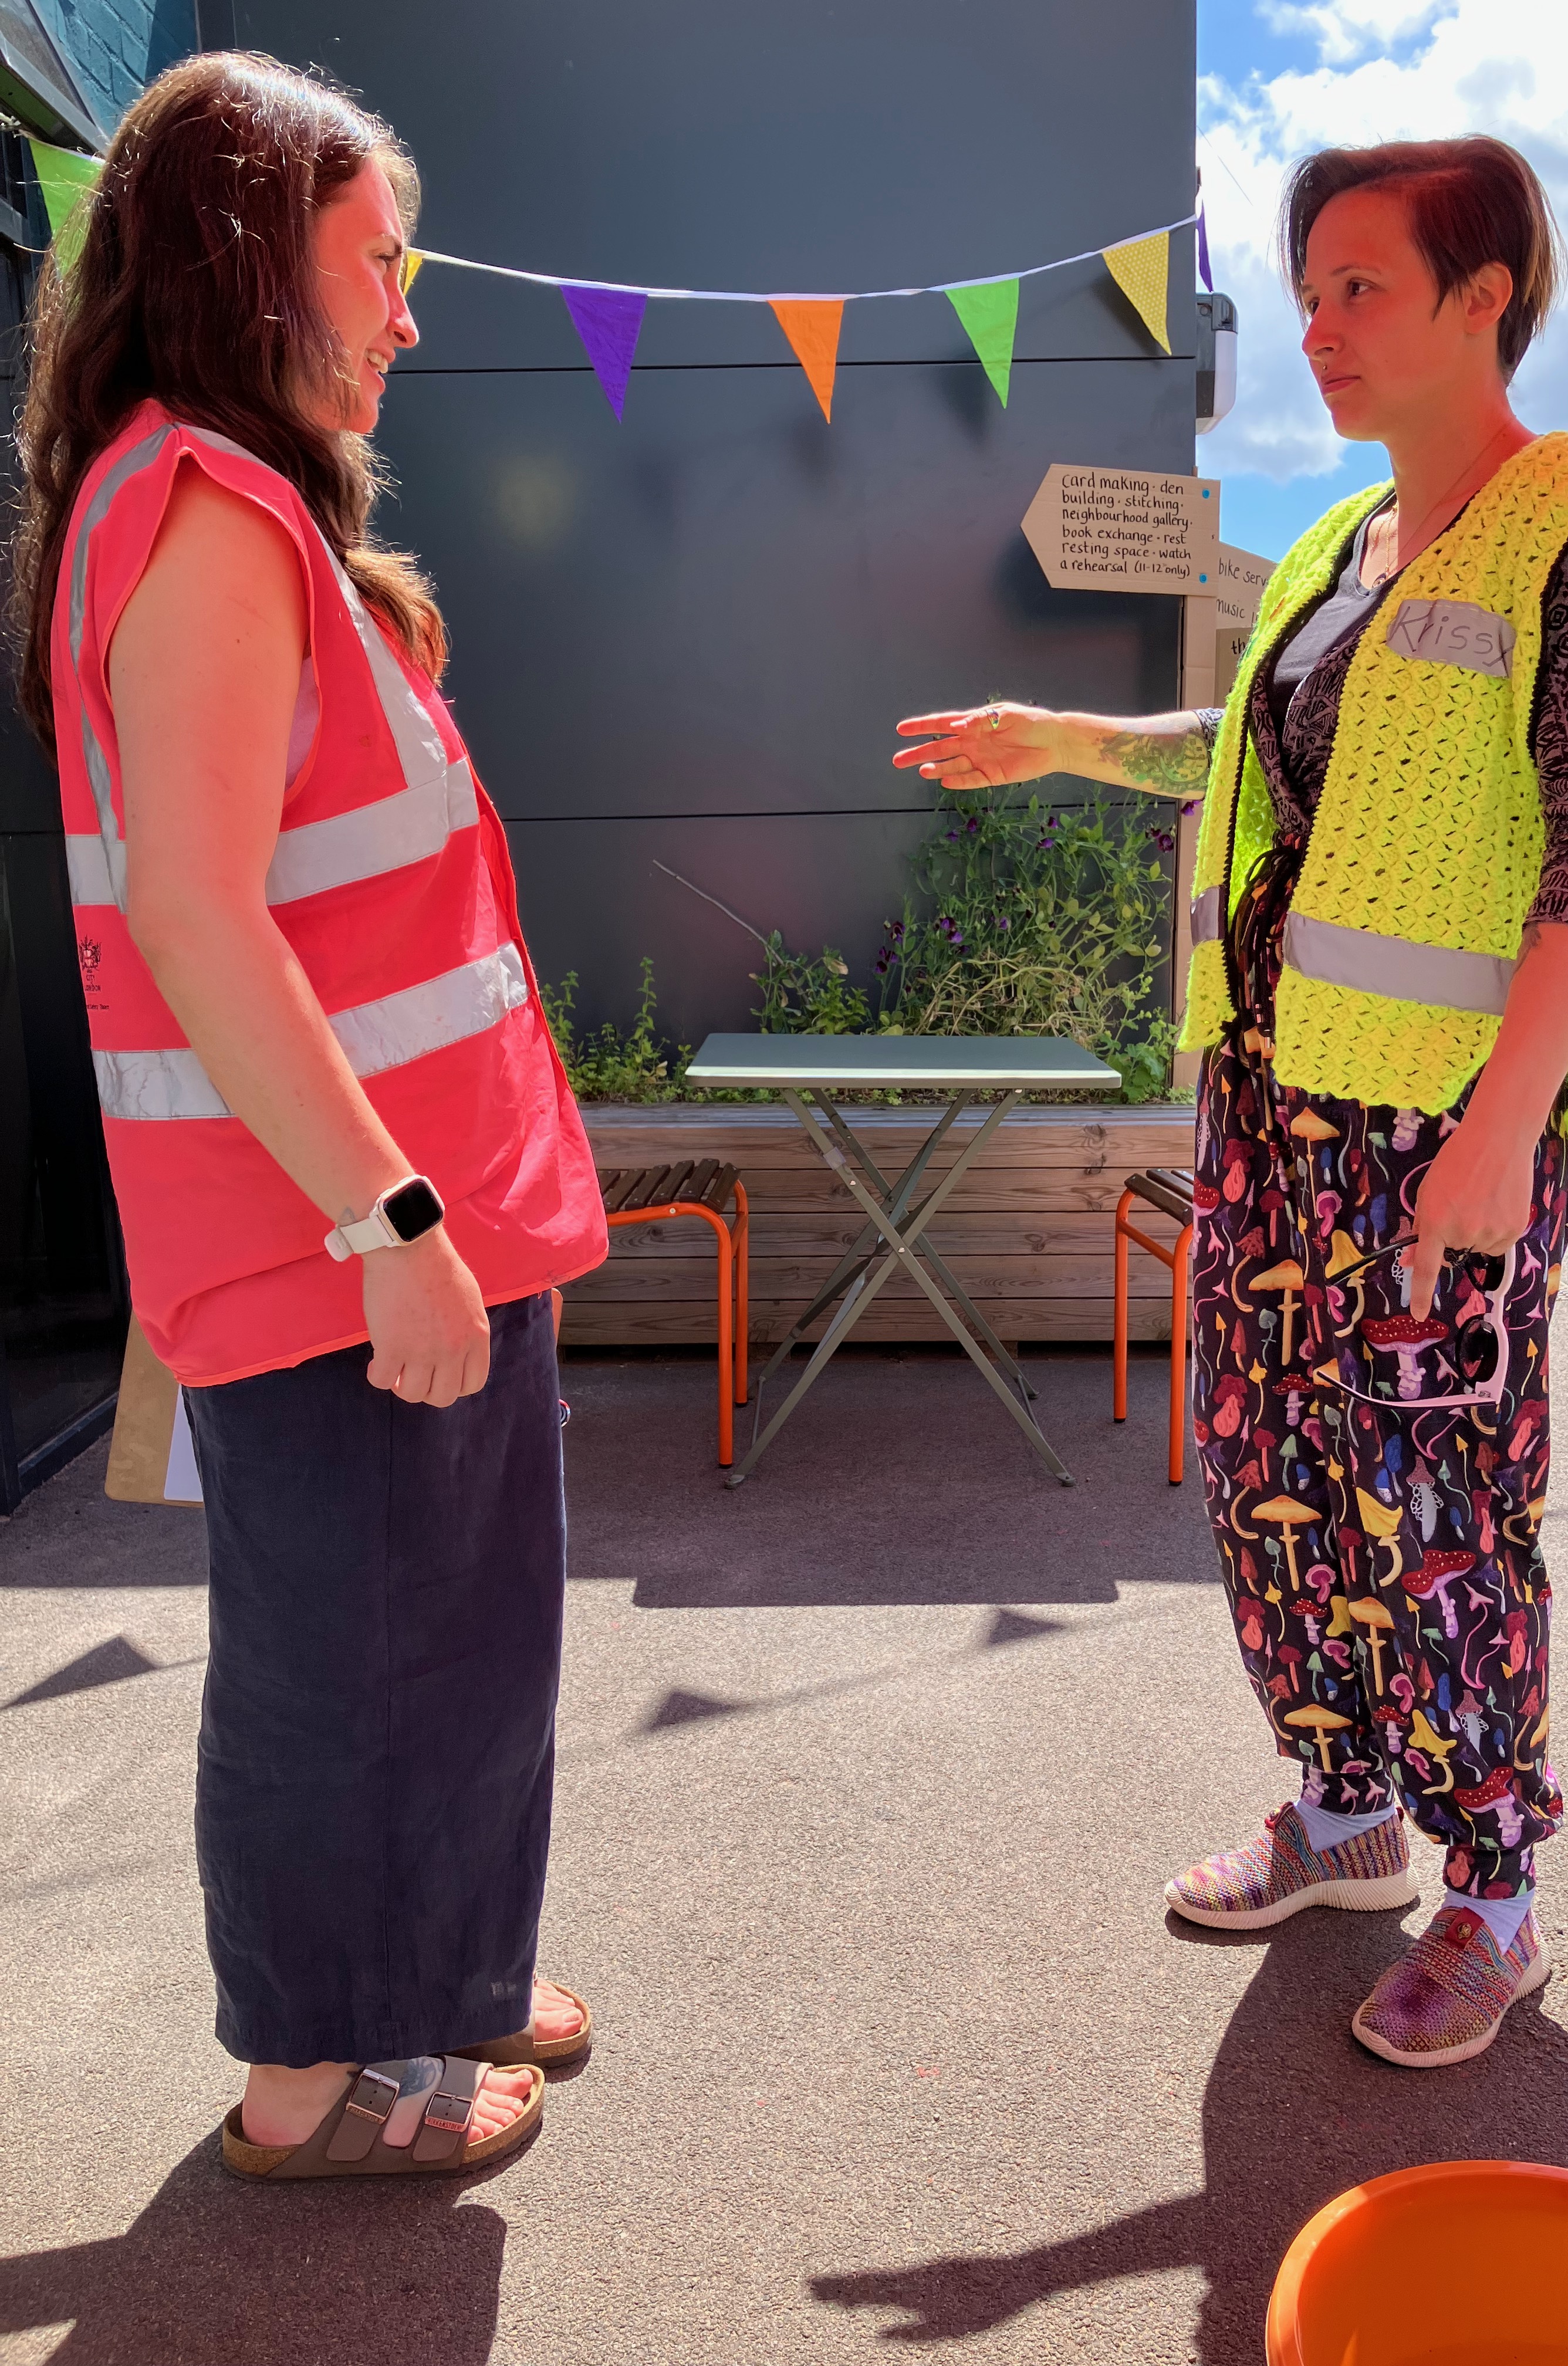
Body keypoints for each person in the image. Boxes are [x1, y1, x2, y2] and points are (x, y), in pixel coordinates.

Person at [894, 136, 1568, 2067]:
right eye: (1310, 291)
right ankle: (1347, 1813)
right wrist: (1065, 737)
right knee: (1277, 1484)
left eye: (1363, 288)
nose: (1320, 329)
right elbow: (1251, 750)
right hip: (1275, 1113)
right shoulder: (1352, 546)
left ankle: (1493, 1893)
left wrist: (1504, 1136)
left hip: (1446, 1132)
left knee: (1439, 1508)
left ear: (1485, 294)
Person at [13, 55, 609, 2175]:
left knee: (452, 1641)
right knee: (350, 1657)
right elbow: (196, 912)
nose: (407, 316)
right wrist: (393, 1224)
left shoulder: (229, 506)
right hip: (339, 1231)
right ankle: (318, 2079)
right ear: (251, 259)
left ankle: (435, 1984)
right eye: (377, 264)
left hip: (391, 1212)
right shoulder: (201, 509)